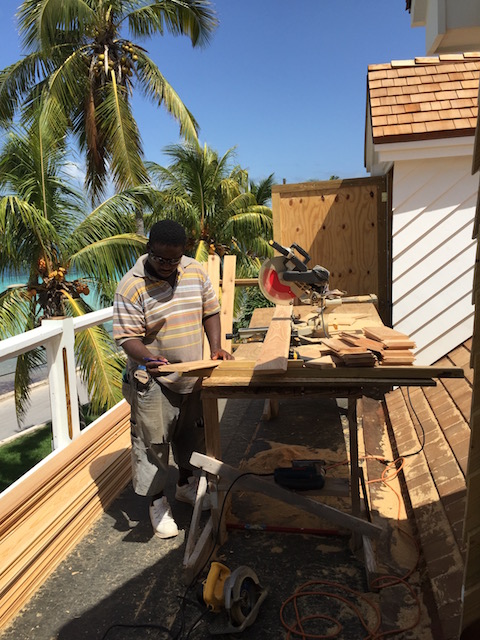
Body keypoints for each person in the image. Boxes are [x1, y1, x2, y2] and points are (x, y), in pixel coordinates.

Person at [113, 219, 233, 539]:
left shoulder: (194, 271)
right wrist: (148, 357)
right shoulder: (131, 285)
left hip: (191, 373)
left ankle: (184, 484)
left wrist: (217, 347)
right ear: (149, 248)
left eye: (174, 259)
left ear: (183, 253)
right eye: (160, 258)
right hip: (152, 377)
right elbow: (126, 337)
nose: (166, 265)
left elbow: (210, 310)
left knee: (191, 434)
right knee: (153, 442)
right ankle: (156, 502)